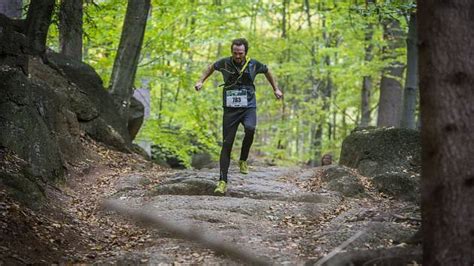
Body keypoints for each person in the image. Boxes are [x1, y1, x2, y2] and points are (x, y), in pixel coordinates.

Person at [194, 38, 283, 195]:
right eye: (235, 53)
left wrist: (275, 89)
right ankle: (222, 181)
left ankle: (243, 159)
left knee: (250, 128)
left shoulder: (254, 64)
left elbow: (268, 71)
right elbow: (211, 67)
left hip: (248, 106)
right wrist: (201, 81)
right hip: (230, 109)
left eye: (240, 53)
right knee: (227, 144)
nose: (237, 56)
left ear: (245, 52)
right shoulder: (224, 63)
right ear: (232, 51)